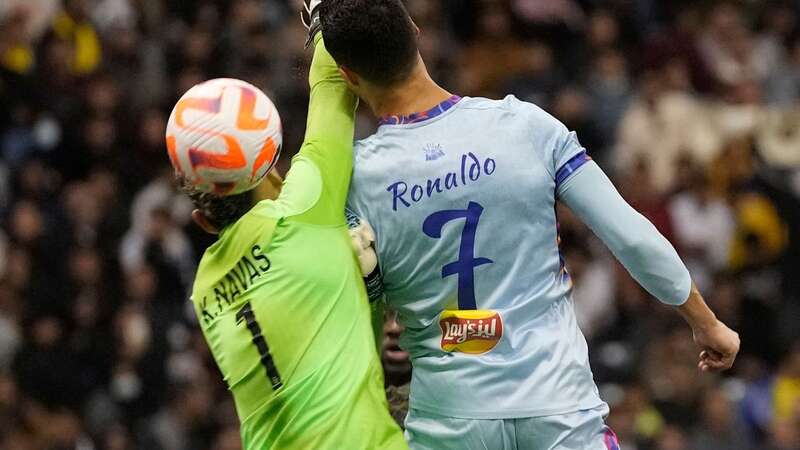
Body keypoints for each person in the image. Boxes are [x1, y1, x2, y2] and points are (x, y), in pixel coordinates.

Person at [318, 1, 741, 448]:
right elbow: (632, 237)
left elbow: (356, 301)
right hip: (559, 409)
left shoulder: (354, 179)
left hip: (448, 421)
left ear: (347, 75)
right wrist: (706, 323)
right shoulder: (526, 126)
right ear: (415, 29)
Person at [171, 8, 408, 449]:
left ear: (202, 221)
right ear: (273, 171)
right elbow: (334, 84)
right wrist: (322, 13)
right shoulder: (302, 213)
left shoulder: (205, 289)